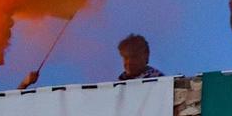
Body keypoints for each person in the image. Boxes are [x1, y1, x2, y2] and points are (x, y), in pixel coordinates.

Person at [18, 32, 162, 90]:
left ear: (146, 56)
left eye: (134, 57)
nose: (129, 63)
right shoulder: (118, 85)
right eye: (125, 57)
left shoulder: (158, 82)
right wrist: (24, 84)